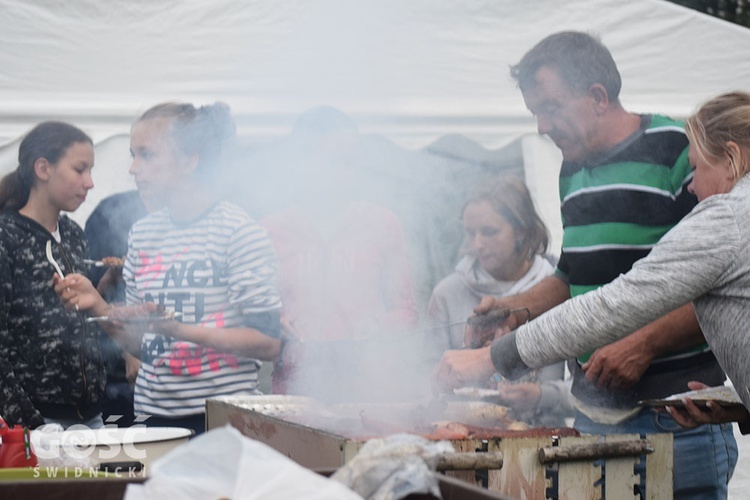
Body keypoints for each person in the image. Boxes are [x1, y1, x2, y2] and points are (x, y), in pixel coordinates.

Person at [436, 32, 736, 498]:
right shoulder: (571, 169)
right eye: (535, 112)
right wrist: (516, 308)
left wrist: (642, 344)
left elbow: (719, 286)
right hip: (594, 416)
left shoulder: (677, 152)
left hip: (676, 419)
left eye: (551, 108)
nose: (541, 126)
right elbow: (573, 276)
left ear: (598, 97)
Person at [55, 102, 282, 435]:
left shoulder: (239, 232)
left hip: (223, 422)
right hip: (151, 420)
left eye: (147, 155)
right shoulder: (143, 233)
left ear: (190, 160)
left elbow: (268, 343)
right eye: (133, 155)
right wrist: (98, 304)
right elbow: (140, 344)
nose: (133, 168)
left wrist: (179, 330)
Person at [261, 106, 419, 397]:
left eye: (350, 163)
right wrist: (273, 324)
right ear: (300, 162)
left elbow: (406, 312)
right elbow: (252, 317)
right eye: (333, 162)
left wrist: (379, 326)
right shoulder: (270, 231)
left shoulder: (382, 224)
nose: (344, 174)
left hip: (368, 393)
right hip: (295, 391)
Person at [426, 176, 570, 426]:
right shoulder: (448, 294)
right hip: (467, 438)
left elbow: (589, 388)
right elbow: (427, 377)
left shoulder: (559, 290)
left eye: (489, 232)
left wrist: (542, 395)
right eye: (470, 233)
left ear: (521, 231)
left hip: (546, 439)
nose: (477, 244)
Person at [0, 121, 106, 429]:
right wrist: (30, 425)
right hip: (35, 423)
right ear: (43, 169)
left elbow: (83, 325)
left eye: (91, 171)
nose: (90, 183)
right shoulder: (6, 237)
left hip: (90, 418)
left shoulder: (74, 234)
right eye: (80, 169)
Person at [84, 189, 151, 426]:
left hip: (165, 377)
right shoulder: (110, 211)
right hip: (117, 374)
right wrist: (128, 354)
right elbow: (93, 293)